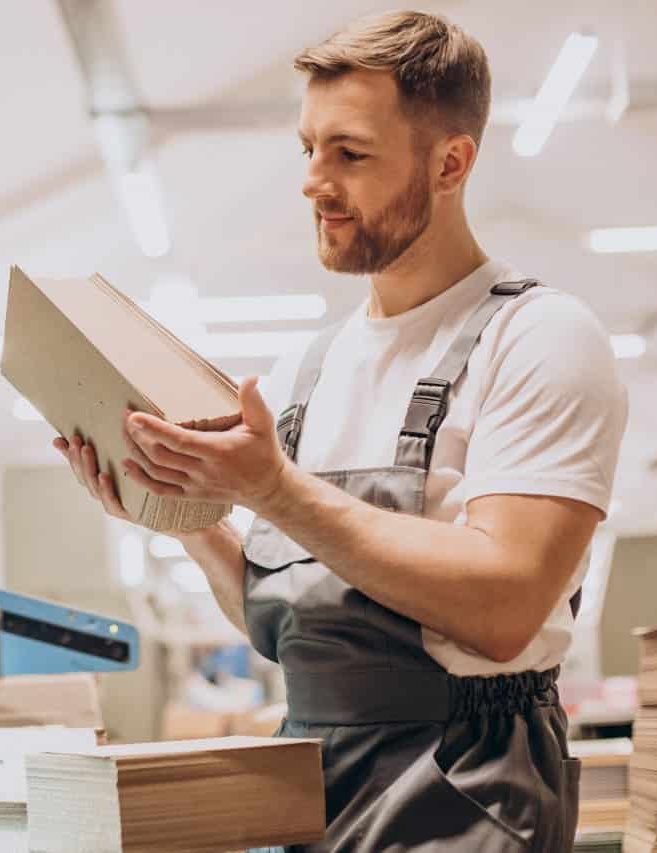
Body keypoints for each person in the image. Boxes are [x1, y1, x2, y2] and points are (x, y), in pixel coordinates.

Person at [54, 10, 627, 851]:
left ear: (450, 163)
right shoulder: (305, 373)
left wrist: (276, 489)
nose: (313, 182)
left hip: (465, 791)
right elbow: (286, 625)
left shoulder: (539, 338)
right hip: (311, 787)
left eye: (350, 153)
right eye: (308, 148)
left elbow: (506, 604)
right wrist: (177, 509)